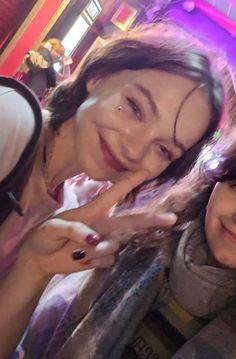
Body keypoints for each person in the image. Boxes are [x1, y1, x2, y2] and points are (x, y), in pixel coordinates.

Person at [0, 21, 226, 358]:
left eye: (164, 149)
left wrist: (34, 267)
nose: (135, 150)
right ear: (100, 76)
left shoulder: (66, 211)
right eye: (135, 108)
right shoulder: (8, 123)